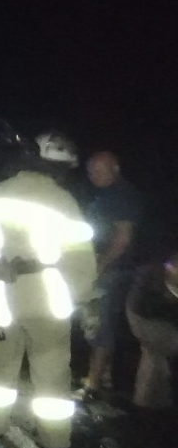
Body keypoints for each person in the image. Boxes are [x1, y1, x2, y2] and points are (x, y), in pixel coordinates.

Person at [0, 132, 97, 412]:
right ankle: (55, 436)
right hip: (51, 301)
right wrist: (84, 298)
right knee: (52, 373)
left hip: (3, 300)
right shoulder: (65, 202)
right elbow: (81, 259)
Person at [83, 151, 143, 396]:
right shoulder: (106, 194)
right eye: (90, 171)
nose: (93, 175)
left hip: (114, 270)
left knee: (101, 324)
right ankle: (104, 376)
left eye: (99, 170)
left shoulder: (122, 195)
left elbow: (122, 240)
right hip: (110, 268)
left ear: (115, 168)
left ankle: (92, 383)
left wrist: (99, 266)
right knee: (100, 322)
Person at [125, 254, 178, 409]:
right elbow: (141, 306)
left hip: (167, 322)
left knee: (154, 356)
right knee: (163, 346)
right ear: (170, 268)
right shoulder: (149, 276)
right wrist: (171, 304)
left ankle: (150, 403)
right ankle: (147, 404)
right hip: (142, 318)